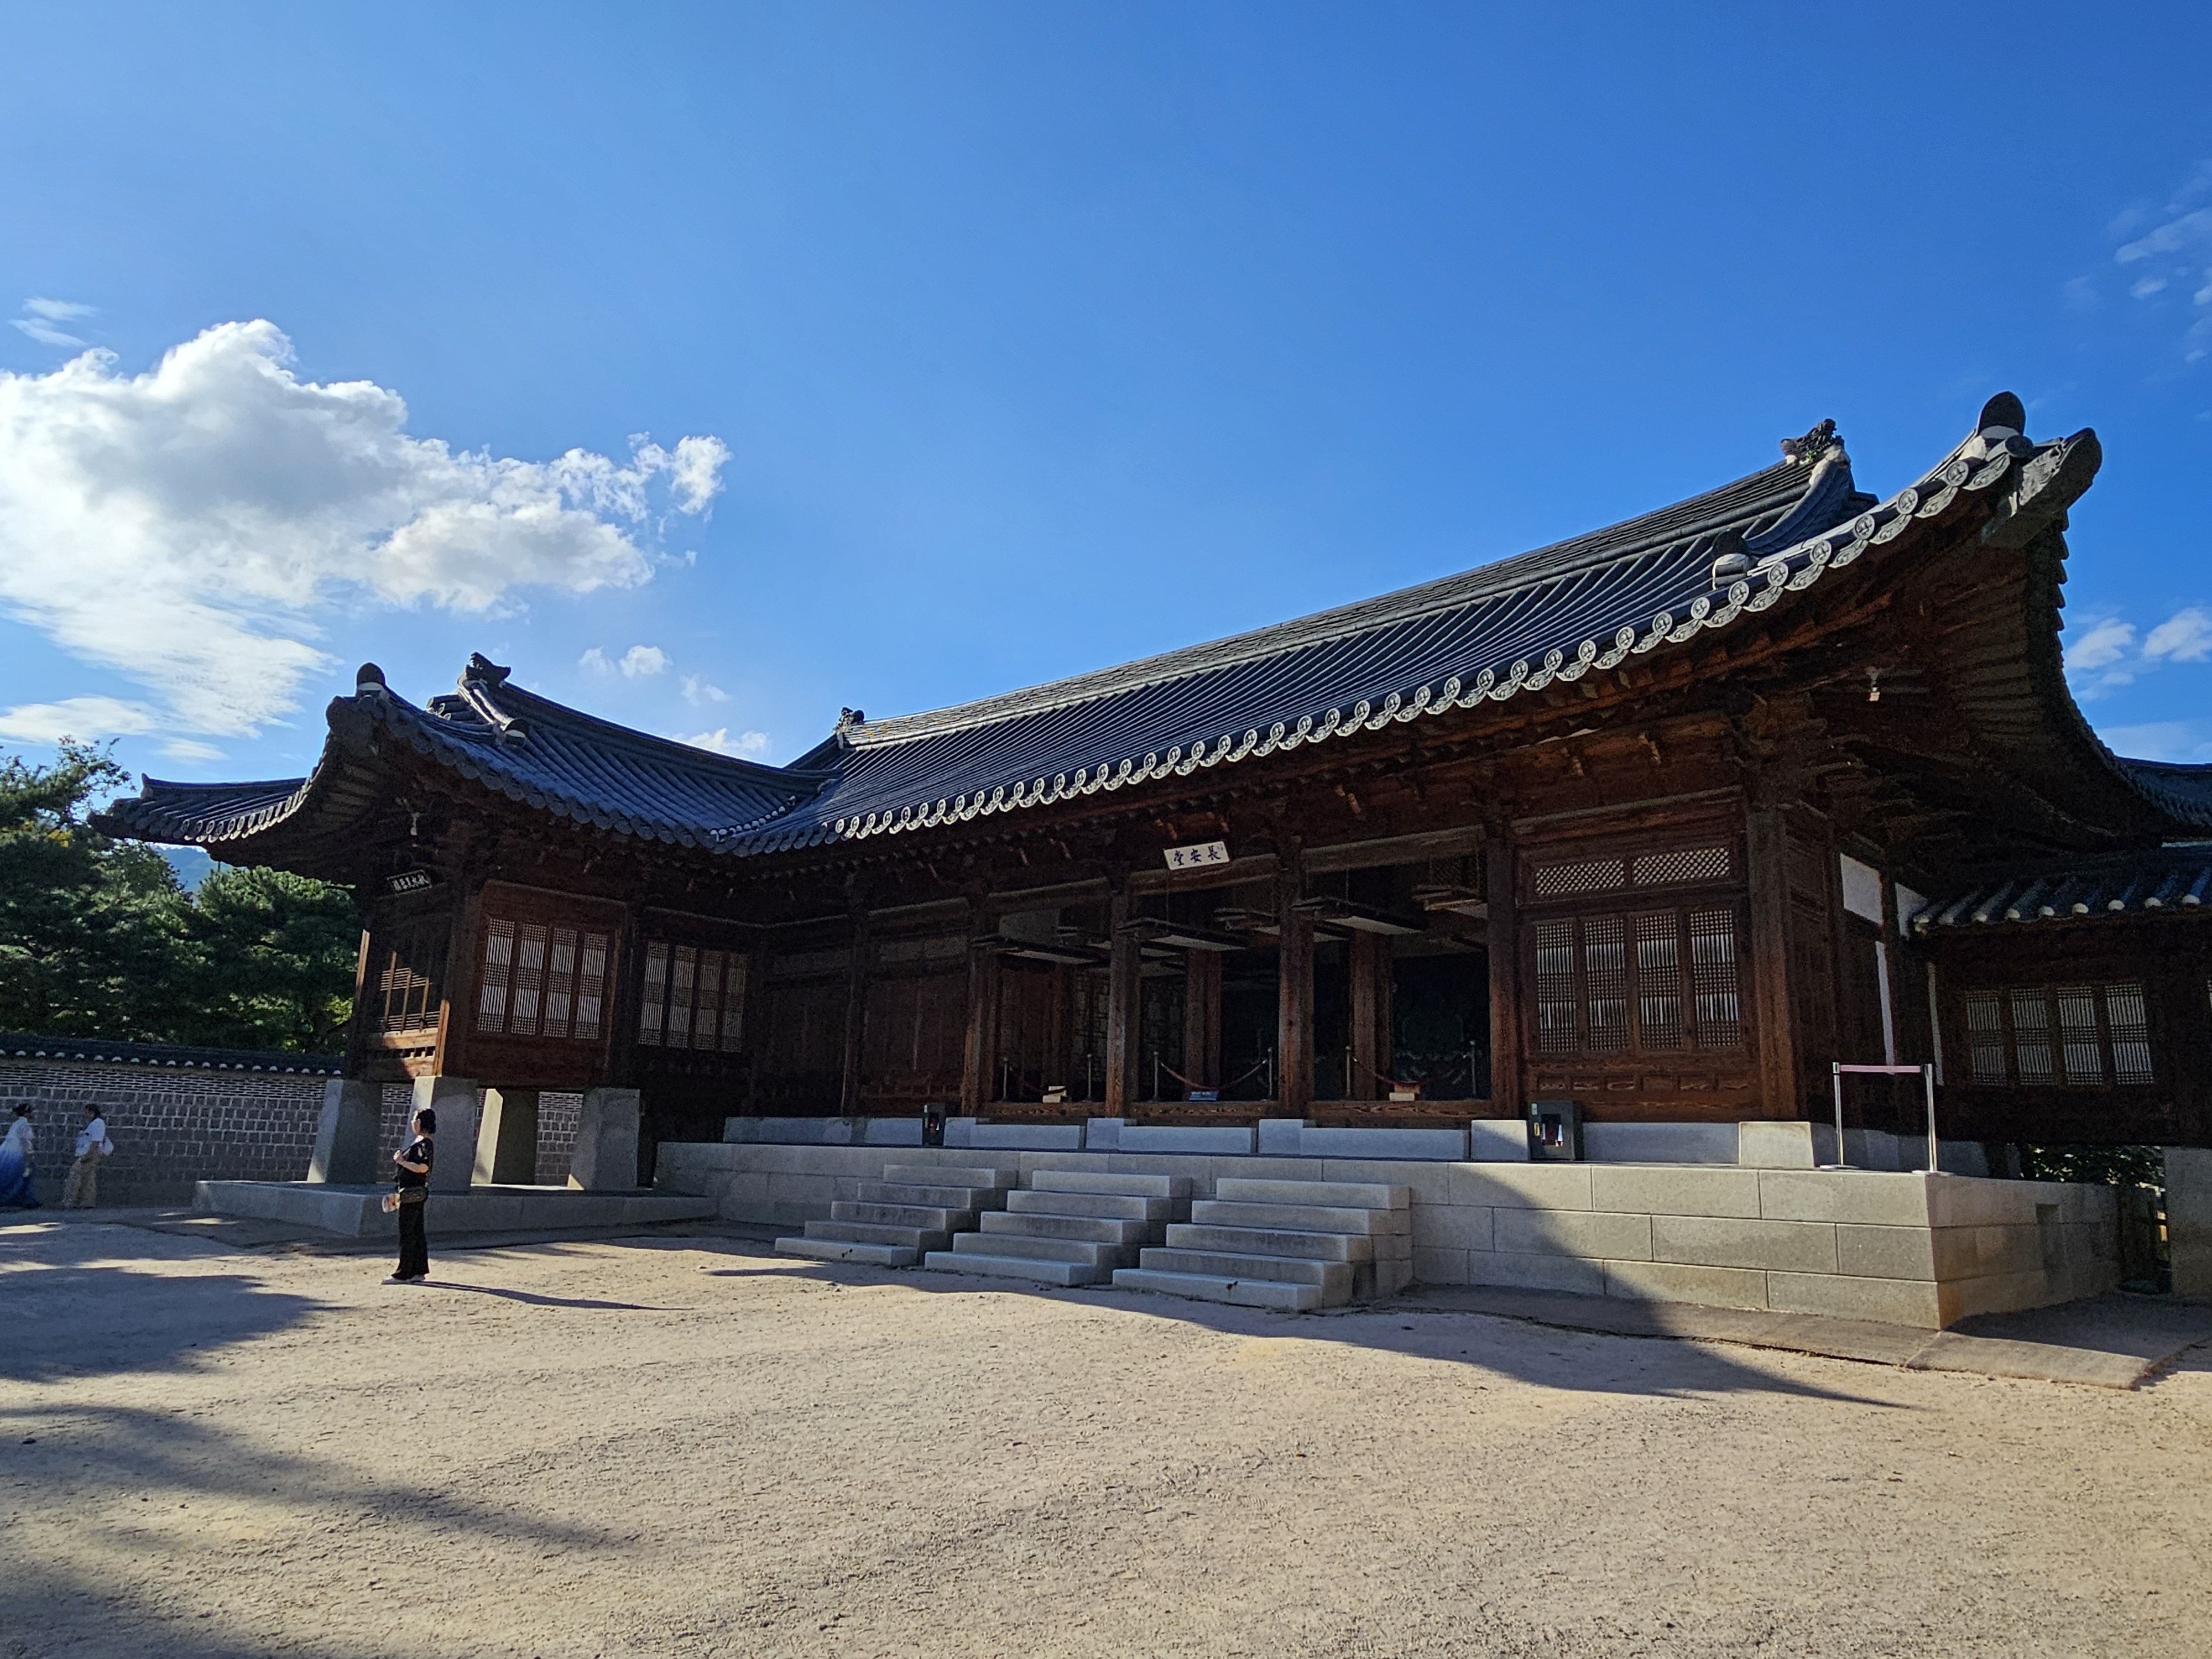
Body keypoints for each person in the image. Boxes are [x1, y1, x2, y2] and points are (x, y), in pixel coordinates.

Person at [389, 1105, 435, 1284]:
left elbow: (423, 1168)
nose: (412, 1122)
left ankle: (404, 1272)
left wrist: (402, 1162)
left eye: (415, 1119)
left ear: (421, 1122)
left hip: (412, 1192)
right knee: (416, 1231)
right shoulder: (419, 1142)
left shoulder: (424, 1144)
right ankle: (418, 1270)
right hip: (411, 1191)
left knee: (407, 1232)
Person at [62, 1104, 113, 1209]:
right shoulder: (94, 1123)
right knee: (89, 1177)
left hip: (90, 1153)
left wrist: (88, 1155)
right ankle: (88, 1201)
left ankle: (69, 1201)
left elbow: (96, 1142)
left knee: (75, 1174)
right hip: (90, 1153)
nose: (84, 1115)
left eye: (86, 1113)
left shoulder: (98, 1123)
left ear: (92, 1113)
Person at [0, 1105, 37, 1208]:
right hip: (15, 1153)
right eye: (31, 1112)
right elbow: (24, 1140)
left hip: (7, 1151)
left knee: (9, 1175)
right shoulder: (24, 1124)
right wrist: (29, 1153)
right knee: (15, 1176)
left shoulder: (17, 1123)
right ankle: (15, 1200)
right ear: (26, 1113)